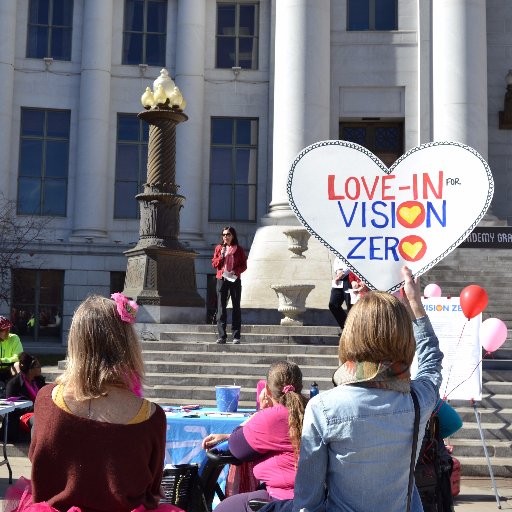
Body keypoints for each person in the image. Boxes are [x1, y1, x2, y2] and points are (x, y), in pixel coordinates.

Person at [6, 293, 183, 512]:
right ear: (127, 344)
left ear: (76, 344)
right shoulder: (152, 417)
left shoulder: (46, 399)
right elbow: (152, 489)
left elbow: (38, 463)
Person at [292, 266, 444, 512]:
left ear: (351, 333)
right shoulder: (418, 399)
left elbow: (308, 502)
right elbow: (431, 361)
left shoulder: (323, 407)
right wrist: (415, 303)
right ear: (405, 337)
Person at [201, 361, 308, 512]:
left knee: (224, 508)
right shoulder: (312, 409)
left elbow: (237, 447)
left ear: (268, 391)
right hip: (314, 497)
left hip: (285, 500)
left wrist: (261, 411)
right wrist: (227, 435)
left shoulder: (271, 416)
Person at [211, 226, 247, 344]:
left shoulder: (239, 250)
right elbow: (214, 264)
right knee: (221, 308)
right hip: (221, 279)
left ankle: (236, 336)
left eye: (228, 234)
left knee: (236, 307)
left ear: (233, 236)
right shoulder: (219, 248)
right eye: (224, 235)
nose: (225, 237)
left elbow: (243, 266)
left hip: (234, 279)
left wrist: (235, 271)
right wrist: (221, 256)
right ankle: (222, 336)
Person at [328, 257, 351, 332]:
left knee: (350, 306)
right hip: (338, 279)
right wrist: (337, 272)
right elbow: (337, 260)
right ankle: (346, 327)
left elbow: (354, 262)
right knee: (333, 304)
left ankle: (352, 330)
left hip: (349, 278)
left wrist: (343, 272)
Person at [0, 316, 24, 385]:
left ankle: (22, 388)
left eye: (8, 328)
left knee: (17, 365)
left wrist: (2, 360)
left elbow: (18, 357)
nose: (8, 331)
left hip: (9, 369)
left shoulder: (14, 338)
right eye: (4, 329)